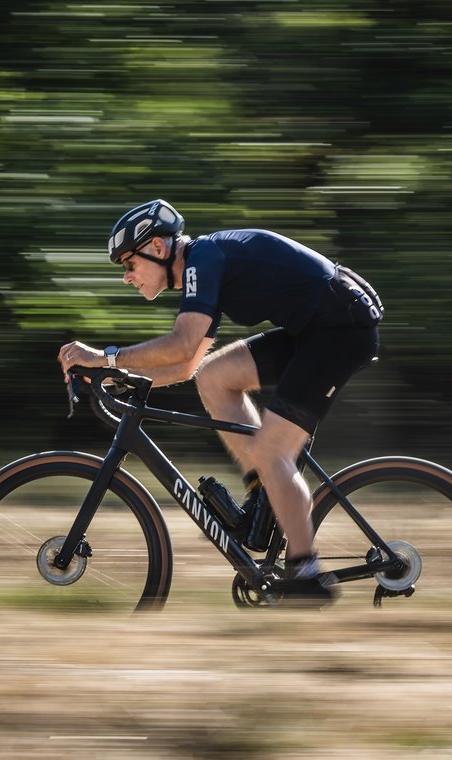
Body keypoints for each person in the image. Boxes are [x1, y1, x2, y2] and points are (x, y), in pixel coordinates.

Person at [57, 199, 382, 607]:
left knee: (271, 449)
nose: (127, 277)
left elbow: (181, 344)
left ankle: (306, 571)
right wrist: (120, 379)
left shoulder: (202, 258)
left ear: (157, 248)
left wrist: (104, 357)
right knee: (215, 376)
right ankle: (262, 501)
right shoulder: (203, 266)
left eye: (128, 264)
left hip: (340, 330)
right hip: (315, 328)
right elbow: (188, 365)